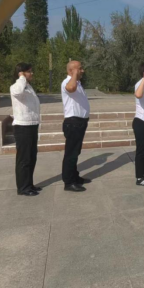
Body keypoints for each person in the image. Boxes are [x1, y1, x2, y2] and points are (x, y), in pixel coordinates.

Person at [10, 63, 41, 196]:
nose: (31, 73)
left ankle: (29, 184)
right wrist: (22, 77)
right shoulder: (16, 86)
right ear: (21, 73)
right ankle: (23, 188)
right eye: (29, 71)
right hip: (22, 127)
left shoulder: (28, 87)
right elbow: (18, 91)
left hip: (32, 125)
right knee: (24, 159)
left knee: (31, 157)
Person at [61, 61, 92, 192]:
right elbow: (70, 88)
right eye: (79, 69)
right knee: (71, 153)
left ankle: (74, 176)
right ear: (71, 70)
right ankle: (69, 182)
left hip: (79, 122)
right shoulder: (67, 82)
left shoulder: (77, 83)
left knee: (75, 152)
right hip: (73, 123)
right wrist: (74, 74)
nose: (82, 71)